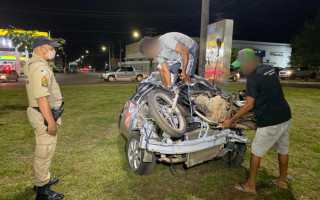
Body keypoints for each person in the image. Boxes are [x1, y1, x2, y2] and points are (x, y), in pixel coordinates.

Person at [222, 48, 291, 194]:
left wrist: (231, 120)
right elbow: (267, 89)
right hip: (285, 115)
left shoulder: (253, 77)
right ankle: (282, 180)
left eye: (242, 64)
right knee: (283, 149)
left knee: (256, 151)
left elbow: (249, 104)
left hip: (270, 120)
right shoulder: (269, 68)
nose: (241, 68)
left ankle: (250, 185)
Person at [24, 36, 64, 200]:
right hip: (43, 115)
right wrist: (51, 122)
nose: (54, 50)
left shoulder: (34, 64)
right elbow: (42, 98)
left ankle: (42, 180)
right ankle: (42, 190)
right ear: (42, 48)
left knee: (44, 150)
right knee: (44, 151)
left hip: (39, 113)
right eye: (51, 47)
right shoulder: (39, 67)